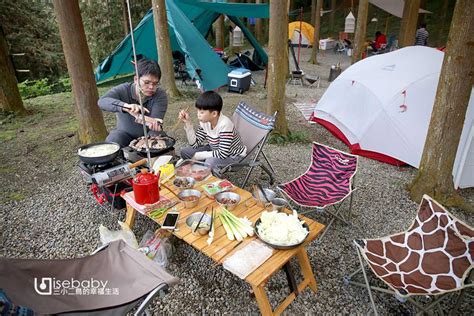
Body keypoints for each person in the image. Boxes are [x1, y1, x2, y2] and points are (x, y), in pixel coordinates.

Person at [98, 59, 168, 147]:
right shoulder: (123, 90)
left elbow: (156, 121)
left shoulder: (160, 95)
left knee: (158, 142)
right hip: (124, 134)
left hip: (150, 133)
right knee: (113, 139)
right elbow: (102, 101)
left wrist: (155, 126)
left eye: (155, 83)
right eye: (147, 82)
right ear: (136, 79)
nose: (151, 87)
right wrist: (125, 106)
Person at [178, 91, 247, 171]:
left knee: (210, 161)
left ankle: (203, 169)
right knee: (185, 152)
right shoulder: (205, 122)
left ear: (214, 113)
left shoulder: (225, 124)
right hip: (215, 150)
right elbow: (194, 144)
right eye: (198, 111)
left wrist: (200, 155)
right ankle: (203, 168)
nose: (198, 114)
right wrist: (188, 123)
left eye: (202, 112)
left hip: (232, 157)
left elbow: (223, 154)